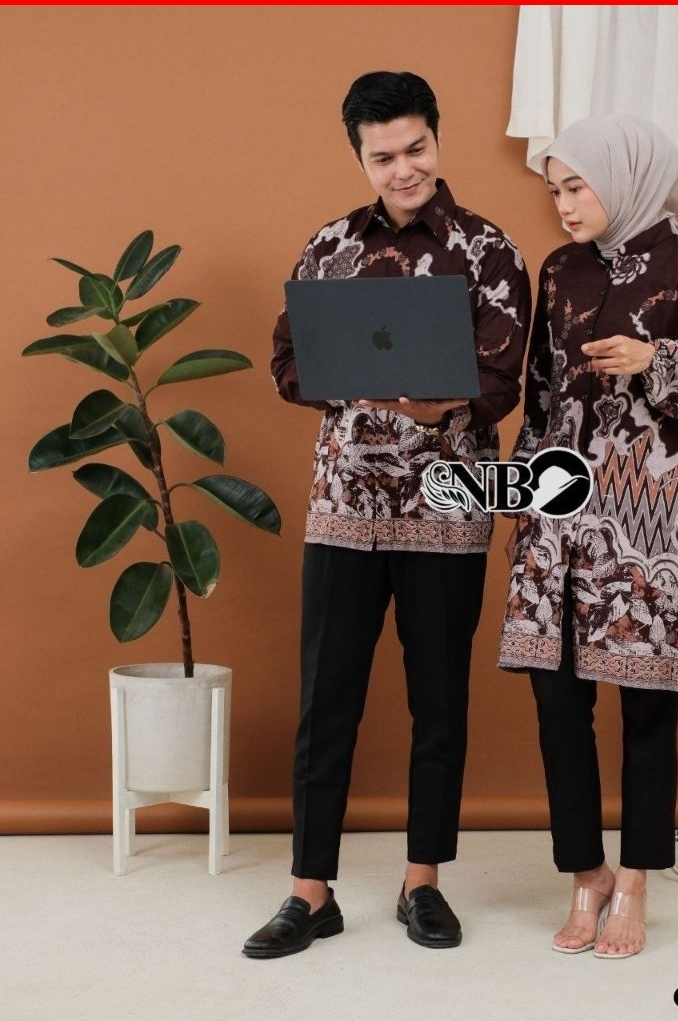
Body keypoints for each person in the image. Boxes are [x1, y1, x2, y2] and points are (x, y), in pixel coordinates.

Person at [243, 71, 530, 959]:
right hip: (343, 504)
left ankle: (423, 882)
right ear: (359, 158)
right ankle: (309, 892)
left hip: (448, 505)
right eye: (383, 157)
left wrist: (444, 404)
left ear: (436, 140)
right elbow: (287, 360)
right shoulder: (328, 246)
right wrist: (347, 384)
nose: (403, 169)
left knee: (438, 701)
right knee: (325, 699)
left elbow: (503, 378)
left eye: (416, 149)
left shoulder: (489, 250)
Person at [498, 114, 678, 959]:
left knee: (647, 711)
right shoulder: (559, 271)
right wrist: (523, 508)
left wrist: (656, 362)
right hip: (561, 523)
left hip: (652, 527)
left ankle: (636, 880)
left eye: (577, 186)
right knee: (557, 706)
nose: (564, 206)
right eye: (555, 190)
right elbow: (540, 398)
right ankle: (586, 873)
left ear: (626, 178)